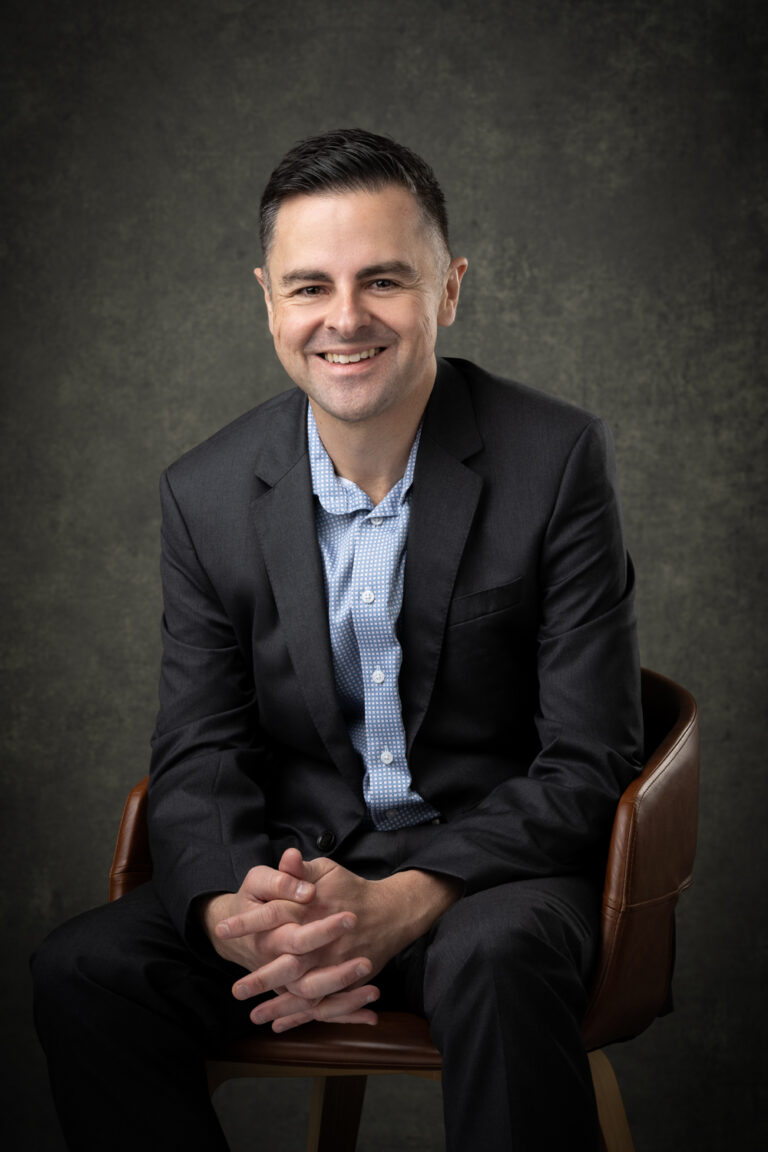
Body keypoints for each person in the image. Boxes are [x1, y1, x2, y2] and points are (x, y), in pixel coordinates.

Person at [32, 127, 643, 1151]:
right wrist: (233, 908)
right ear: (267, 298)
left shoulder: (558, 459)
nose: (345, 319)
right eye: (310, 286)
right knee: (87, 971)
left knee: (496, 958)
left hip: (494, 883)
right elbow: (199, 750)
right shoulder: (204, 494)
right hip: (301, 875)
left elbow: (591, 758)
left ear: (448, 289)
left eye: (385, 281)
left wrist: (411, 896)